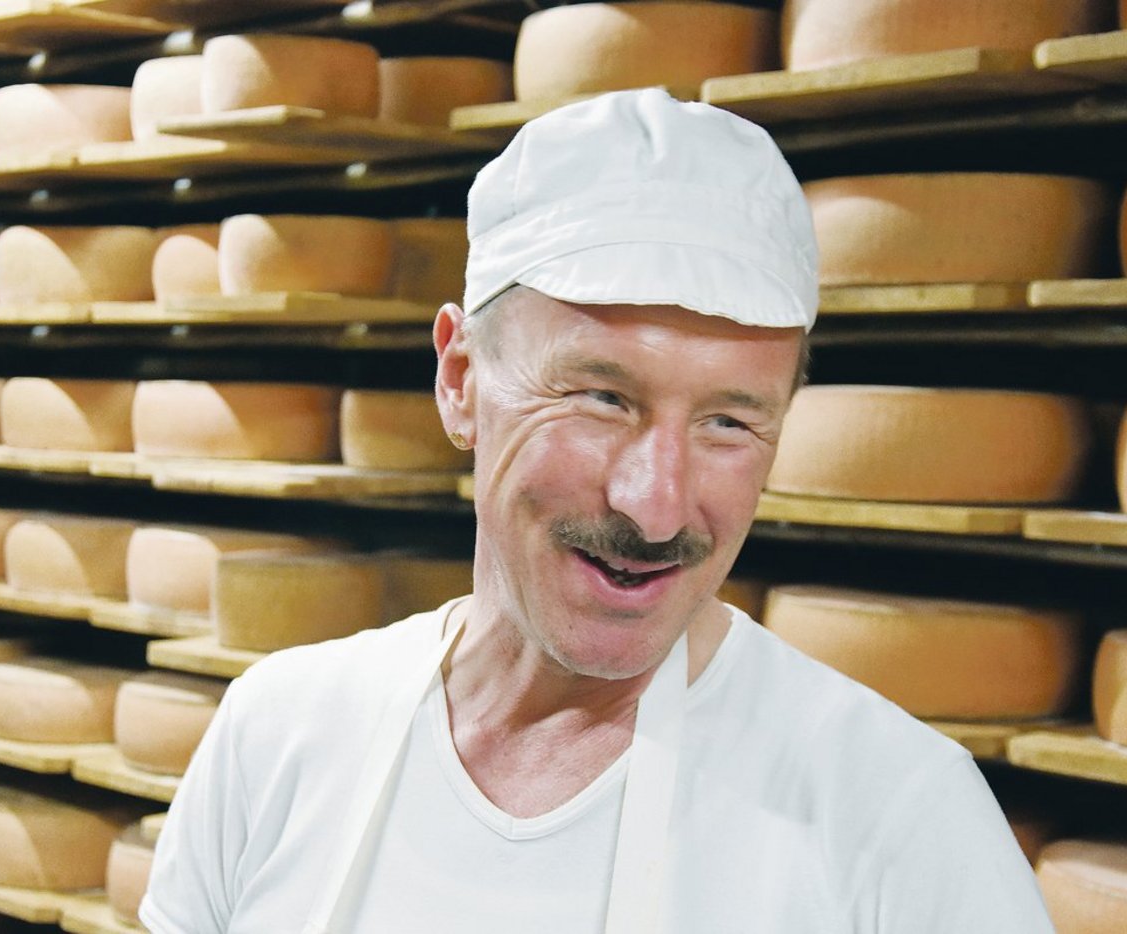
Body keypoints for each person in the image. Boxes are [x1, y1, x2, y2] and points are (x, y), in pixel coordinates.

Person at [141, 89, 1053, 933]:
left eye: (728, 423)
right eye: (602, 399)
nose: (656, 508)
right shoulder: (280, 734)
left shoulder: (899, 818)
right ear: (460, 381)